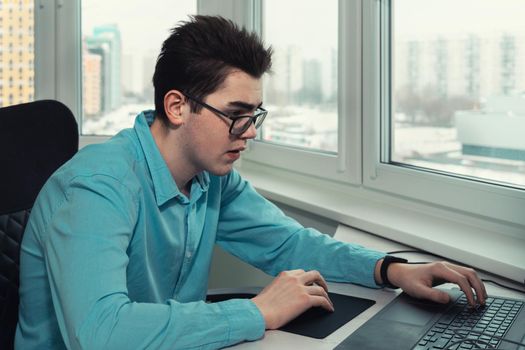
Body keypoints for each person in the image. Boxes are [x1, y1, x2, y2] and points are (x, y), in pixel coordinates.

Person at [16, 15, 487, 349]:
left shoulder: (212, 176)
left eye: (255, 115)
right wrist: (257, 312)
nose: (251, 133)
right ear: (178, 107)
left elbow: (289, 244)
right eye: (236, 116)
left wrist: (391, 269)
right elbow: (101, 333)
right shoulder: (97, 186)